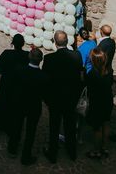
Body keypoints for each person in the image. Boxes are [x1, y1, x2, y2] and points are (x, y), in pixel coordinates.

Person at [42, 31, 84, 163]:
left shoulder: (49, 59)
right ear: (67, 42)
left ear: (55, 42)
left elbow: (45, 81)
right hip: (71, 97)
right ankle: (72, 152)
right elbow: (79, 77)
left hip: (55, 99)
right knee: (70, 125)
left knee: (54, 126)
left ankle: (52, 153)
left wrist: (46, 99)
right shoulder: (77, 56)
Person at [7, 48, 47, 166]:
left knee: (16, 125)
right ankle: (26, 156)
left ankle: (12, 148)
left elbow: (13, 86)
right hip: (34, 106)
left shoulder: (19, 70)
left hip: (19, 102)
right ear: (41, 60)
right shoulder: (43, 76)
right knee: (31, 131)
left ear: (29, 57)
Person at [0, 34, 29, 132]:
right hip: (19, 84)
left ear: (13, 43)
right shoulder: (26, 55)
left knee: (3, 100)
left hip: (6, 82)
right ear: (23, 43)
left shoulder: (6, 53)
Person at [85, 48, 113, 160]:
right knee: (106, 124)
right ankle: (105, 147)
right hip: (107, 101)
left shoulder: (92, 74)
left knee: (97, 128)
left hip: (97, 102)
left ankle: (96, 151)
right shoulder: (108, 72)